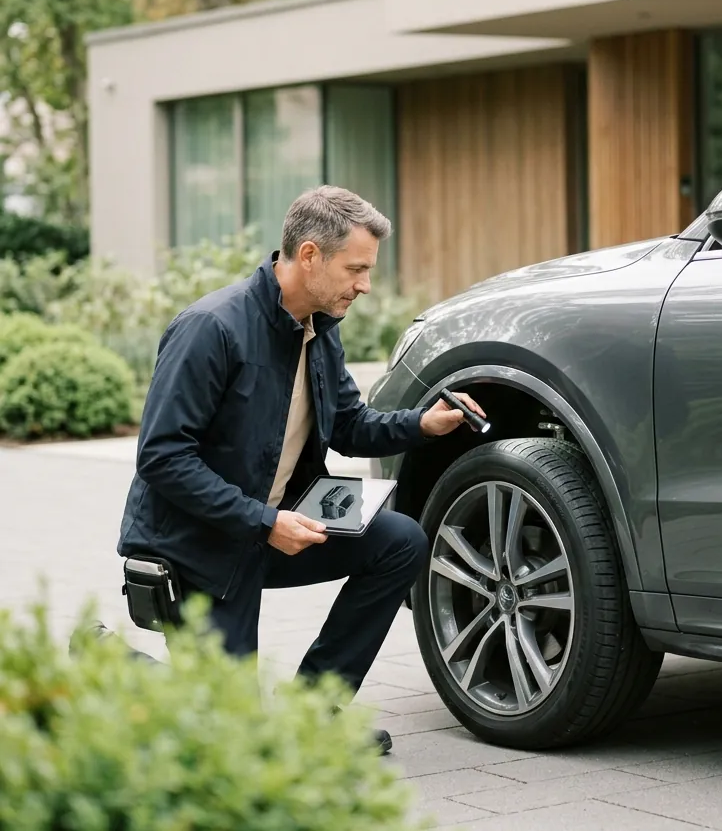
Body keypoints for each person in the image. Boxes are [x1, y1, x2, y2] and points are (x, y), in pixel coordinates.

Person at [117, 185, 485, 754]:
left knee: (400, 541)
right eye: (356, 269)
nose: (364, 285)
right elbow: (163, 456)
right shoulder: (210, 328)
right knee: (230, 742)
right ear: (309, 255)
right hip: (199, 547)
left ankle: (313, 711)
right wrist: (265, 521)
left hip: (270, 530)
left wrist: (423, 423)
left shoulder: (318, 329)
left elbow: (349, 426)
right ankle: (111, 664)